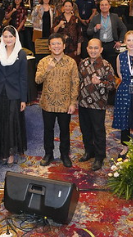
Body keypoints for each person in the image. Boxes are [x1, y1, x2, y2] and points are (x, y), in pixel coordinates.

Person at [35, 33, 79, 168]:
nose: (56, 46)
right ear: (49, 47)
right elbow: (37, 80)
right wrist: (47, 69)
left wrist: (73, 102)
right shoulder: (43, 62)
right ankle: (48, 154)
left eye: (59, 43)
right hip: (47, 103)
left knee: (65, 130)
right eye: (53, 44)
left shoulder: (71, 62)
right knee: (48, 130)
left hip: (65, 104)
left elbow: (75, 83)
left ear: (64, 46)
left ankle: (64, 154)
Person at [0, 26, 28, 165]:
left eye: (11, 36)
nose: (8, 39)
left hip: (13, 93)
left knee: (10, 124)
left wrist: (23, 99)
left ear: (15, 38)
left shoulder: (21, 54)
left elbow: (23, 78)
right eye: (5, 36)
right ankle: (0, 151)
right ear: (2, 38)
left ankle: (10, 153)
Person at [78, 38, 117, 171]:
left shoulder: (106, 65)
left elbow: (112, 85)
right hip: (83, 102)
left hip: (98, 104)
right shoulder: (83, 63)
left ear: (101, 49)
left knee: (98, 130)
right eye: (91, 48)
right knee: (85, 129)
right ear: (87, 49)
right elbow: (79, 80)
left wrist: (100, 83)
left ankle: (99, 156)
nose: (93, 50)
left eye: (96, 48)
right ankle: (89, 152)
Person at [87, 0, 127, 73]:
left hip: (111, 45)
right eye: (102, 5)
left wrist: (120, 41)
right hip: (98, 45)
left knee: (111, 66)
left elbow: (123, 28)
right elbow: (88, 32)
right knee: (98, 65)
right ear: (100, 7)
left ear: (109, 6)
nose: (104, 6)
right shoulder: (95, 18)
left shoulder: (115, 17)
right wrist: (95, 28)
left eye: (106, 5)